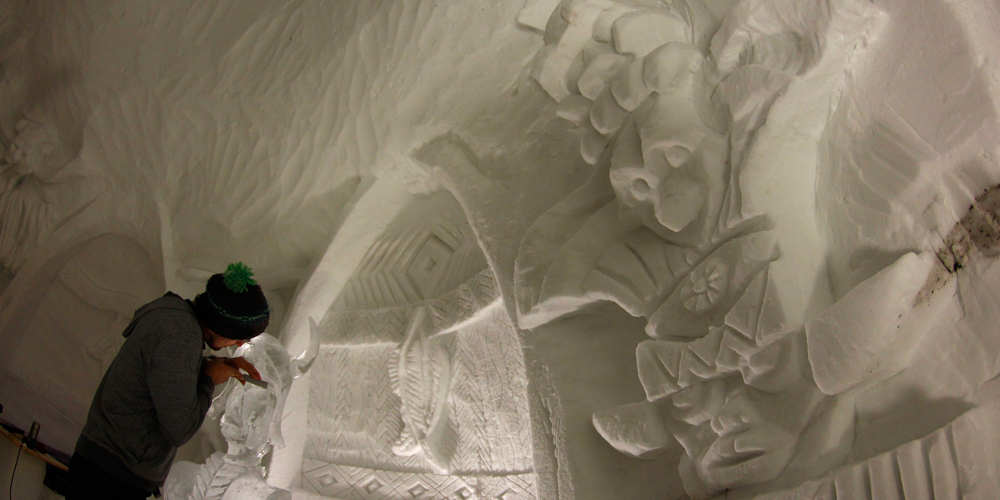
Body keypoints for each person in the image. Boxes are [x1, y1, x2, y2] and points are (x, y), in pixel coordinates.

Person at [66, 262, 271, 500]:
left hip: (105, 467)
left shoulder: (172, 314)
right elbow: (180, 428)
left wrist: (210, 364)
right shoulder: (180, 336)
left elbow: (163, 369)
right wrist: (208, 380)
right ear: (221, 325)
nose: (237, 345)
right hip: (112, 477)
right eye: (238, 338)